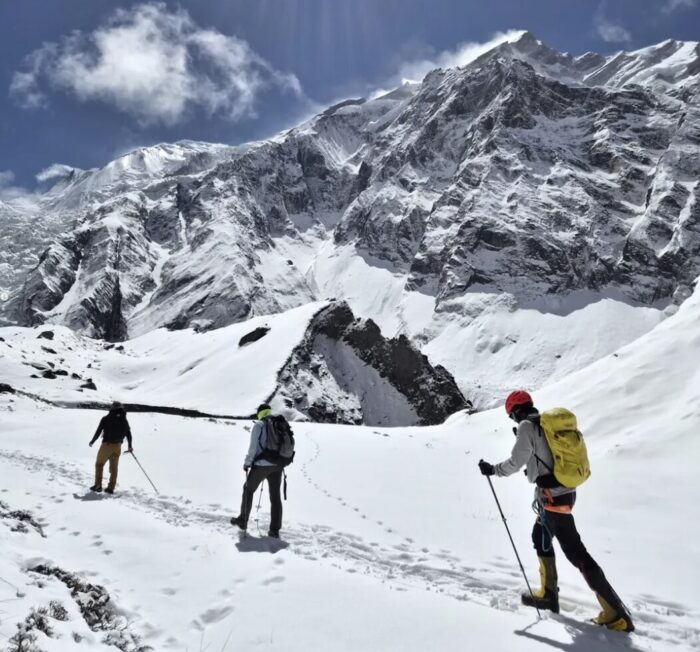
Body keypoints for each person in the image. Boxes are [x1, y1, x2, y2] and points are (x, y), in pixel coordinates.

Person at [478, 390, 634, 633]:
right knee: (540, 536)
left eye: (511, 416)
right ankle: (549, 594)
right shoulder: (546, 425)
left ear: (515, 411)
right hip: (564, 493)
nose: (513, 420)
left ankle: (616, 614)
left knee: (576, 553)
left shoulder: (528, 427)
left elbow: (515, 462)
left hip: (552, 498)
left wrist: (493, 470)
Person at [230, 404, 284, 538]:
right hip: (278, 465)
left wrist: (247, 463)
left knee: (248, 490)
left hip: (261, 464)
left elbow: (253, 448)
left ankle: (243, 521)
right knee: (275, 497)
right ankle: (274, 530)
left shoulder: (259, 425)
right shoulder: (278, 422)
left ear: (260, 413)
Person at [89, 402, 133, 494]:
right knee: (114, 468)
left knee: (99, 464)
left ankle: (98, 485)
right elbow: (128, 434)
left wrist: (92, 441)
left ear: (112, 408)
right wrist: (129, 446)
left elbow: (98, 432)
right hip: (118, 446)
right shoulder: (124, 420)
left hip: (107, 445)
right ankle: (111, 488)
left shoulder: (106, 418)